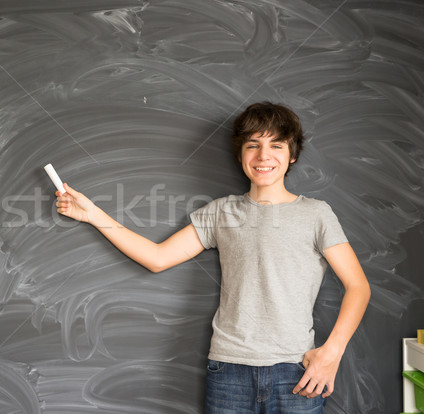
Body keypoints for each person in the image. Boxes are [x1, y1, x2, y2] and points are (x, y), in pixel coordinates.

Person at [55, 102, 371, 413]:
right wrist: (93, 215)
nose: (264, 156)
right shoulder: (220, 212)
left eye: (276, 145)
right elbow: (157, 257)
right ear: (240, 155)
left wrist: (332, 352)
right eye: (253, 145)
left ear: (292, 155)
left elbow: (358, 287)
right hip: (229, 371)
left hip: (297, 371)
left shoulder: (316, 214)